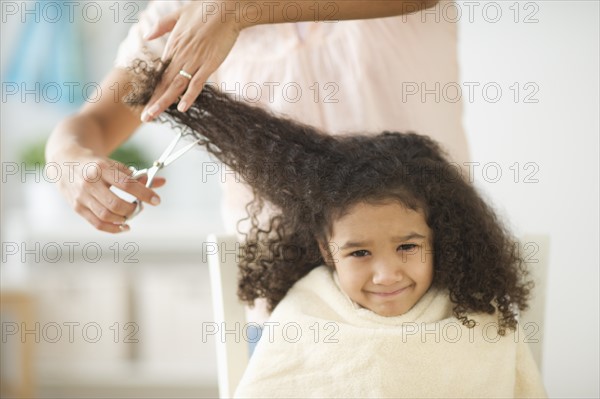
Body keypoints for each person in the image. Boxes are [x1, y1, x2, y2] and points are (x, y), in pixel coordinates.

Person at [123, 63, 546, 397]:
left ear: (439, 238)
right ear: (327, 251)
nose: (386, 274)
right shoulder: (304, 316)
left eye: (407, 246)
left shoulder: (477, 319)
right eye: (359, 253)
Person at [46, 0, 469, 234]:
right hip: (284, 311)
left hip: (429, 280)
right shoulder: (180, 15)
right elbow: (94, 124)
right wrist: (66, 158)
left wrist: (234, 11)